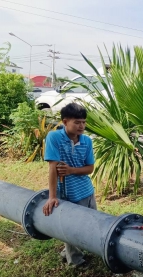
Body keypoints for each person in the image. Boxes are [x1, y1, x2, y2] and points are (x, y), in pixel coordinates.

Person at [42, 102, 96, 266]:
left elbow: (90, 168)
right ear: (65, 122)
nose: (81, 126)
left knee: (89, 224)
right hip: (66, 192)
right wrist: (52, 197)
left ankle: (69, 251)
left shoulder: (87, 141)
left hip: (86, 191)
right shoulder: (54, 137)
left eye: (83, 122)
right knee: (71, 227)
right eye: (77, 122)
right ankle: (76, 261)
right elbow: (53, 168)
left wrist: (71, 170)